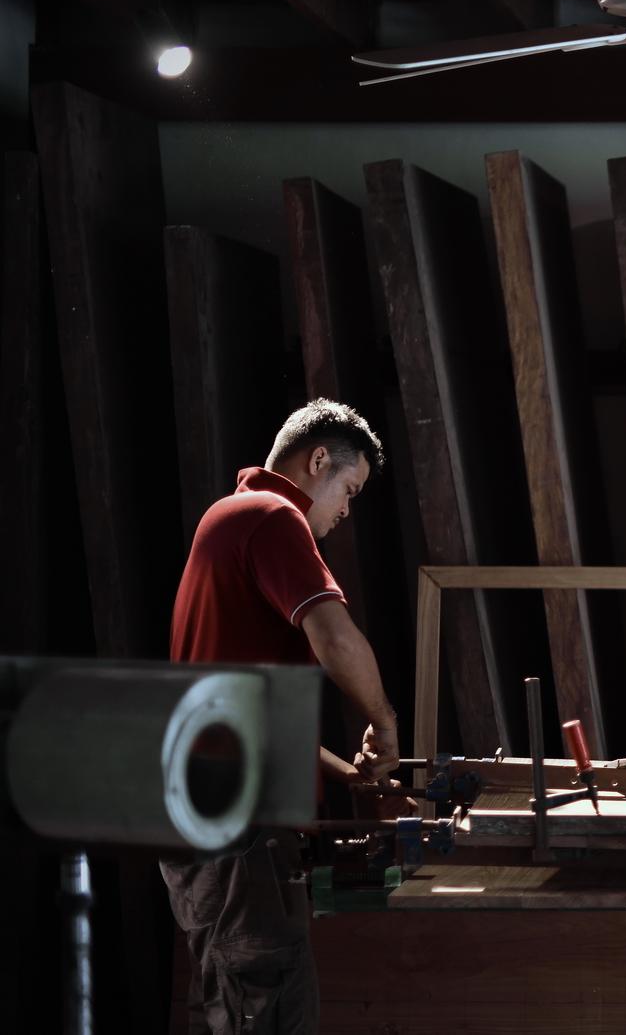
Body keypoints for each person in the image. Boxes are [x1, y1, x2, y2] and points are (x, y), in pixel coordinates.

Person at [161, 398, 403, 1034]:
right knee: (266, 1010)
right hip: (240, 829)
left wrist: (346, 776)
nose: (346, 511)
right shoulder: (272, 516)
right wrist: (385, 720)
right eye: (348, 490)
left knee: (229, 1006)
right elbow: (335, 638)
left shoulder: (226, 519)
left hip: (210, 821)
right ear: (316, 460)